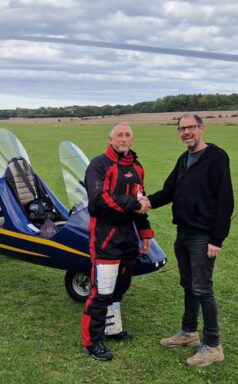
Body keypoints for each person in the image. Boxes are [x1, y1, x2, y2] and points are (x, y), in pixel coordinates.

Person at [145, 113, 234, 367]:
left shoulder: (216, 157)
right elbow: (169, 191)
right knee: (188, 285)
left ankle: (214, 346)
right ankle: (189, 333)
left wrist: (217, 239)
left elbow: (225, 199)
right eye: (182, 129)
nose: (186, 132)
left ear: (201, 129)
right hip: (183, 233)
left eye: (190, 128)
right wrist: (147, 202)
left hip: (203, 236)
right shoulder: (184, 159)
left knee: (203, 289)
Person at [81, 122, 153, 361]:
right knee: (102, 290)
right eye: (119, 134)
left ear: (132, 139)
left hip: (128, 237)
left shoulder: (137, 167)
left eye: (128, 135)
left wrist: (145, 232)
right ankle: (91, 342)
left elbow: (140, 201)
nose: (124, 138)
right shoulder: (99, 165)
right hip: (105, 235)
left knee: (120, 286)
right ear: (110, 139)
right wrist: (134, 203)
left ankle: (111, 329)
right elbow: (98, 200)